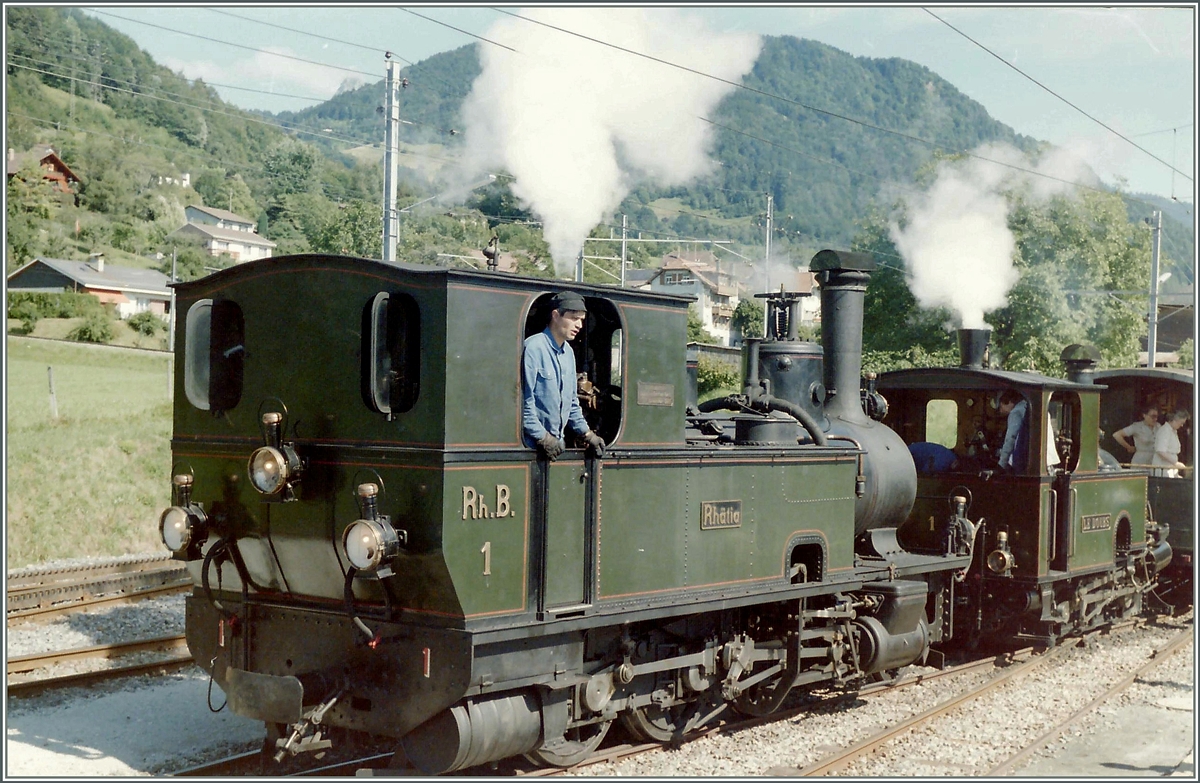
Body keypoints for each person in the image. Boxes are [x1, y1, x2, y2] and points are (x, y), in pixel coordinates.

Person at [521, 292, 606, 461]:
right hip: (531, 447)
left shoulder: (568, 353)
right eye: (574, 318)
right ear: (555, 315)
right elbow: (523, 402)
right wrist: (542, 437)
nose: (580, 325)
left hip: (556, 446)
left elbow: (572, 402)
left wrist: (587, 434)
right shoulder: (533, 348)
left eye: (581, 319)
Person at [1152, 408, 1190, 478]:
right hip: (1163, 467)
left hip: (1170, 467)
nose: (1182, 425)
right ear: (1175, 420)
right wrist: (1175, 463)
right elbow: (1161, 451)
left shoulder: (1173, 431)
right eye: (1181, 423)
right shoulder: (1165, 431)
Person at [997, 390, 1029, 471]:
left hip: (1023, 460)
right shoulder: (1028, 406)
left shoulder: (1016, 412)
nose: (1001, 411)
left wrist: (1001, 464)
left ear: (1010, 402)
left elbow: (1011, 438)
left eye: (1001, 407)